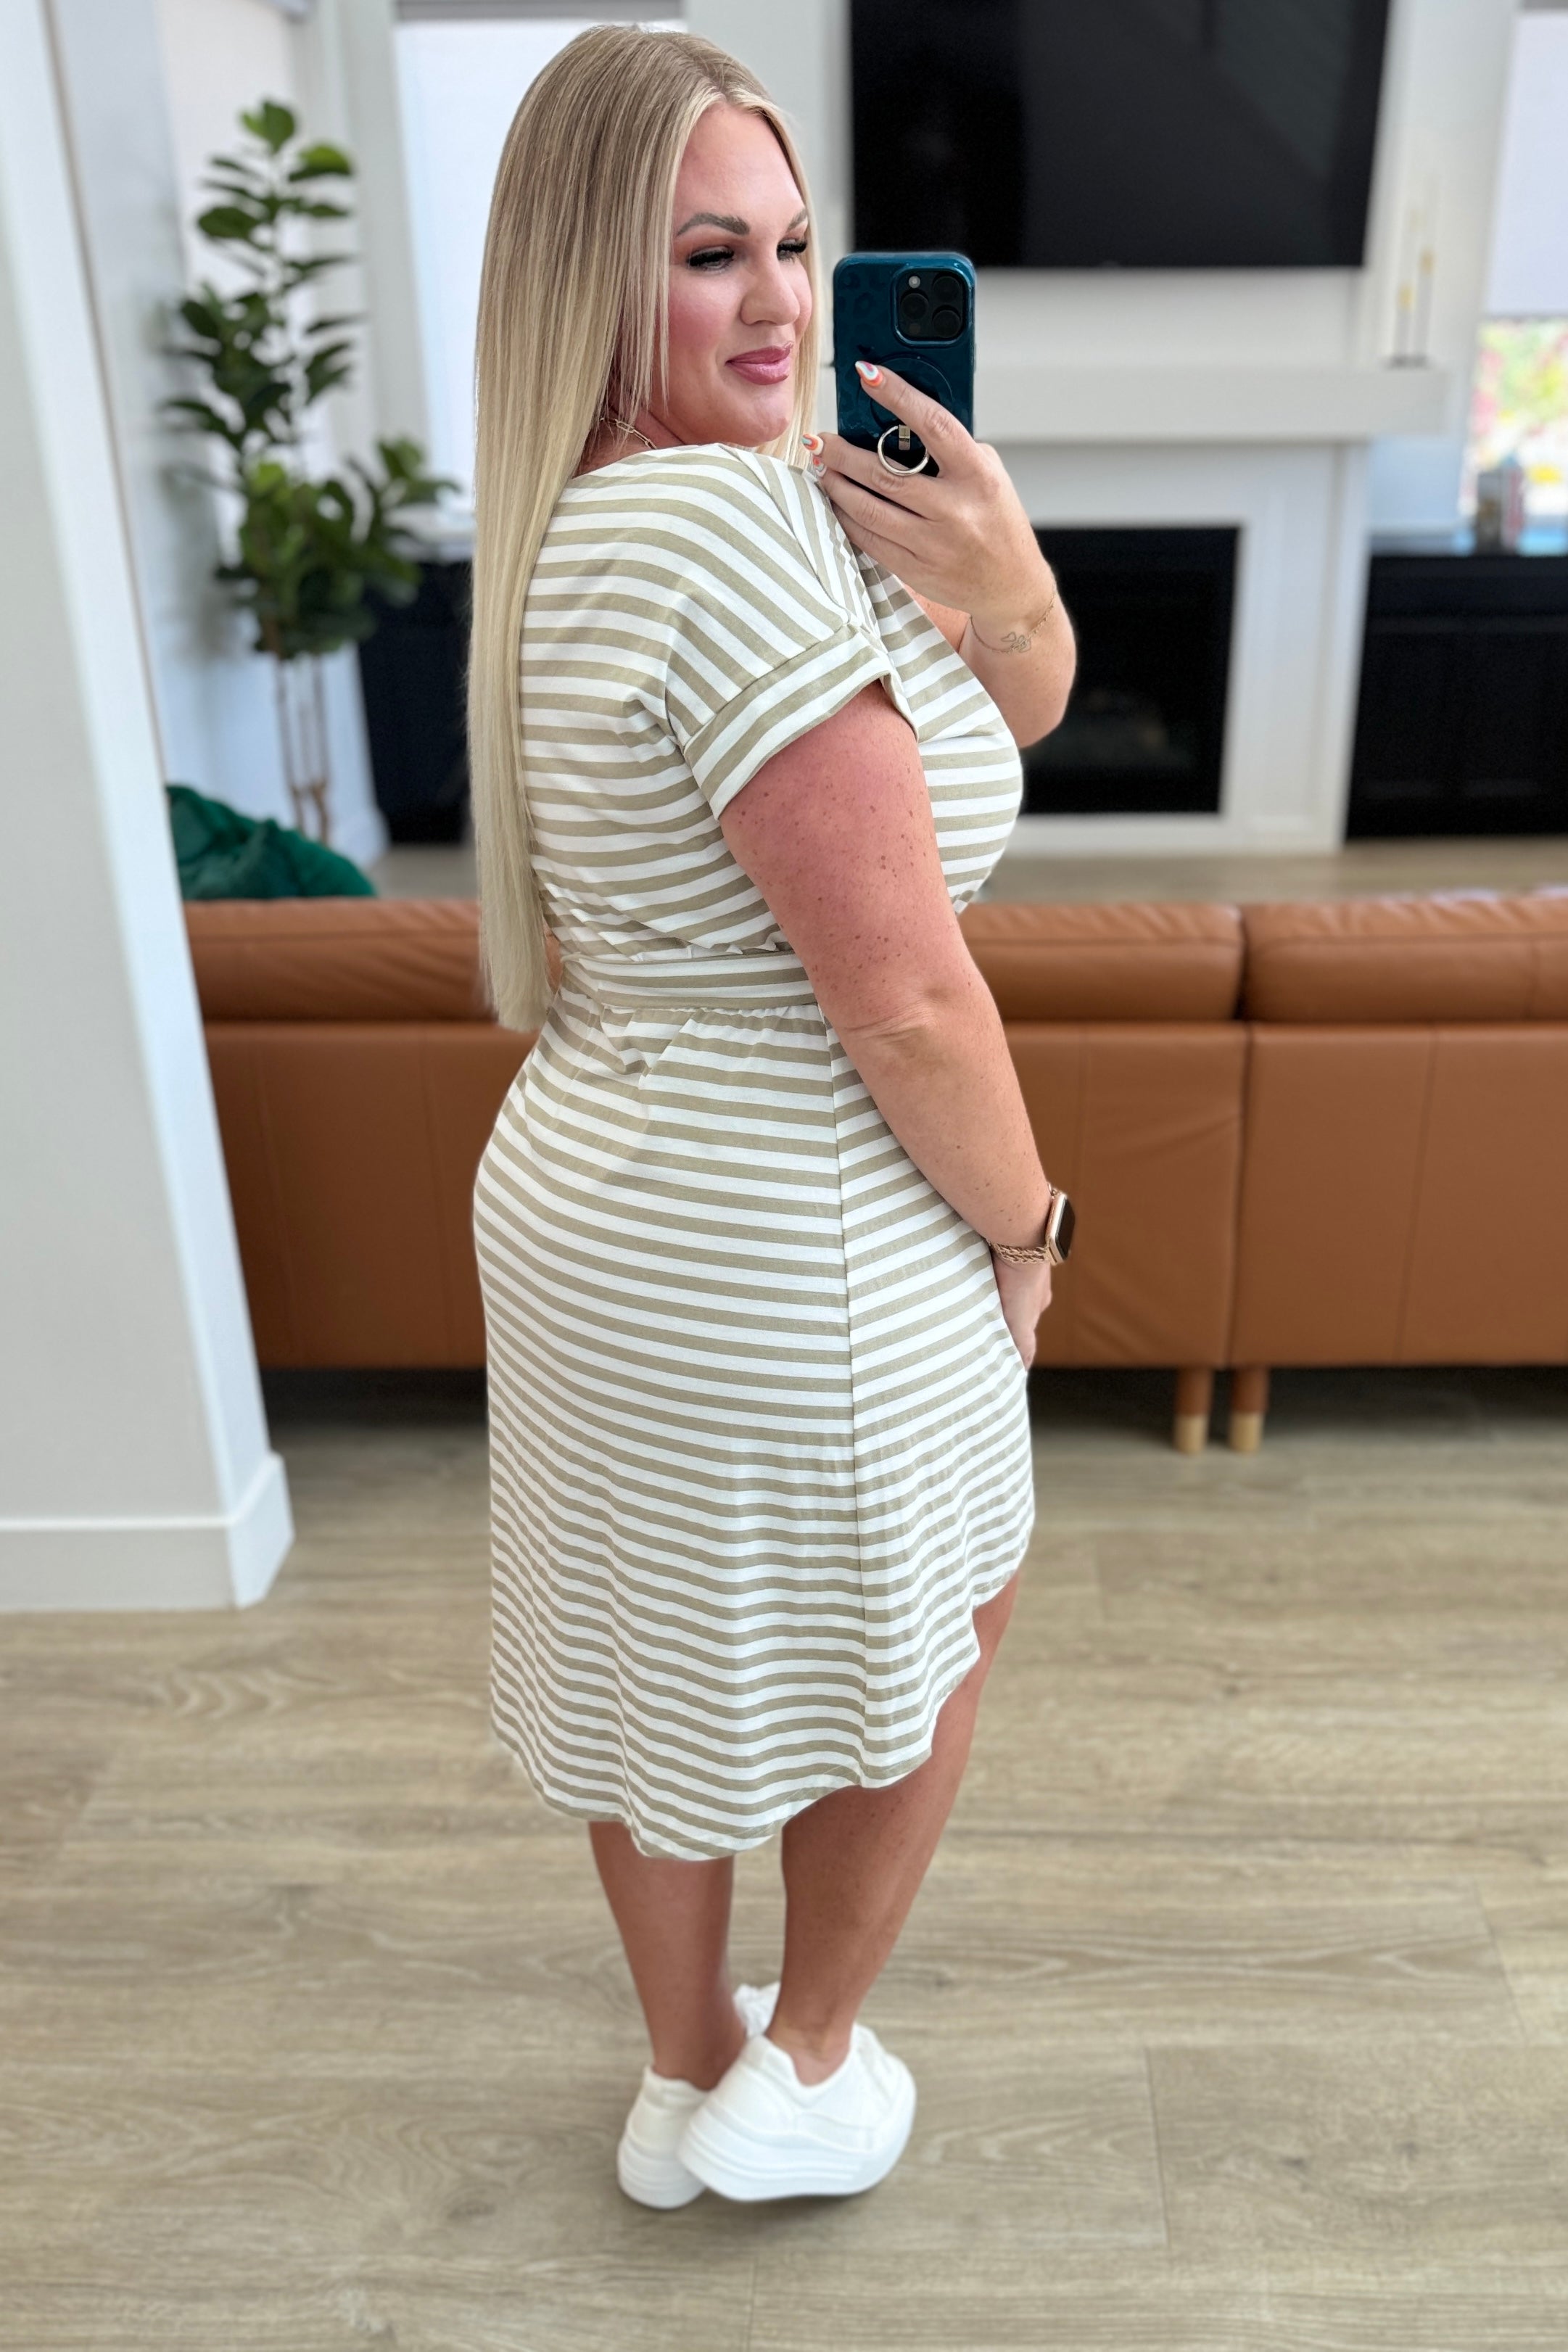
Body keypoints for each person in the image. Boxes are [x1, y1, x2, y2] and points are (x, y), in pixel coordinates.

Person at [468, 25, 1076, 2208]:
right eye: (708, 253)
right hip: (791, 1221)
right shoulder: (734, 529)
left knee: (661, 1648)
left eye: (796, 247)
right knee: (932, 1617)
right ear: (589, 278)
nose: (781, 303)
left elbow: (1012, 705)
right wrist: (1029, 1226)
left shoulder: (584, 520)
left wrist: (1003, 575)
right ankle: (806, 2065)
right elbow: (905, 1000)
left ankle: (681, 2074)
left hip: (598, 1192)